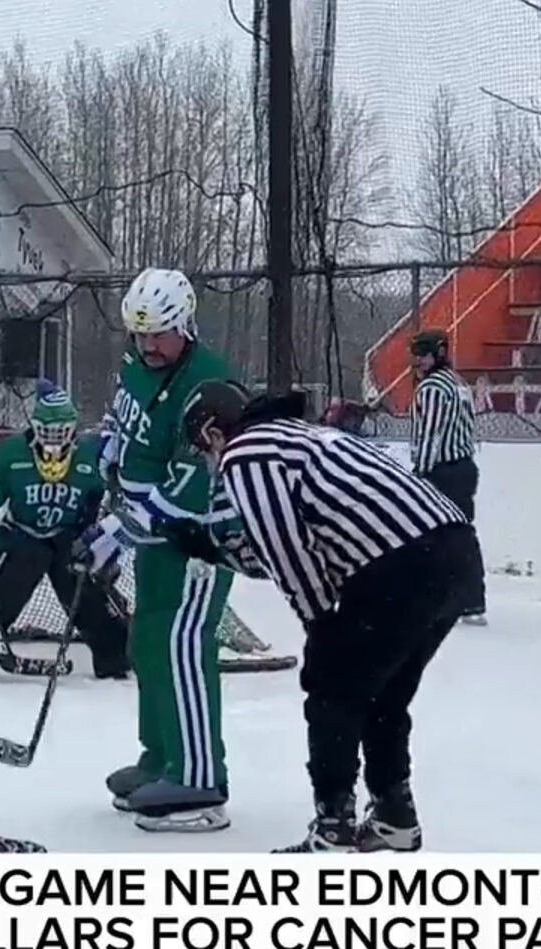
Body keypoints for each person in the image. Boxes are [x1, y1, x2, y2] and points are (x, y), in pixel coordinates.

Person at [179, 382, 479, 853]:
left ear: (213, 432)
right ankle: (394, 817)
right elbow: (291, 541)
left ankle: (333, 827)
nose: (208, 459)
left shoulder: (245, 453)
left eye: (203, 447)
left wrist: (319, 623)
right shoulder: (297, 435)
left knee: (331, 691)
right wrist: (214, 549)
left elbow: (288, 550)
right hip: (452, 550)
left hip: (397, 562)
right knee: (383, 693)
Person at [78, 267, 241, 833]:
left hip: (197, 539)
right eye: (140, 333)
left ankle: (200, 779)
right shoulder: (138, 362)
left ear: (185, 324)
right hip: (152, 539)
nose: (148, 345)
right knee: (148, 641)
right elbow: (123, 417)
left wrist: (121, 528)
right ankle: (162, 758)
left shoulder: (210, 384)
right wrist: (106, 453)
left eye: (159, 334)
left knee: (183, 645)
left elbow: (193, 482)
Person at [0, 385, 130, 680]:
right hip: (21, 535)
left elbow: (118, 496)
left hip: (70, 538)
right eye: (47, 431)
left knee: (87, 589)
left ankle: (115, 654)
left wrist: (104, 539)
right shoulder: (11, 453)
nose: (54, 439)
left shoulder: (91, 455)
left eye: (61, 431)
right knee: (5, 583)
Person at [408, 329, 486, 625]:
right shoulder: (458, 382)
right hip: (463, 467)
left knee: (431, 538)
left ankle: (434, 598)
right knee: (460, 536)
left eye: (423, 355)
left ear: (437, 354)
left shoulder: (432, 388)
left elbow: (431, 434)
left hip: (442, 470)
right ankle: (471, 601)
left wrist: (421, 472)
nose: (417, 361)